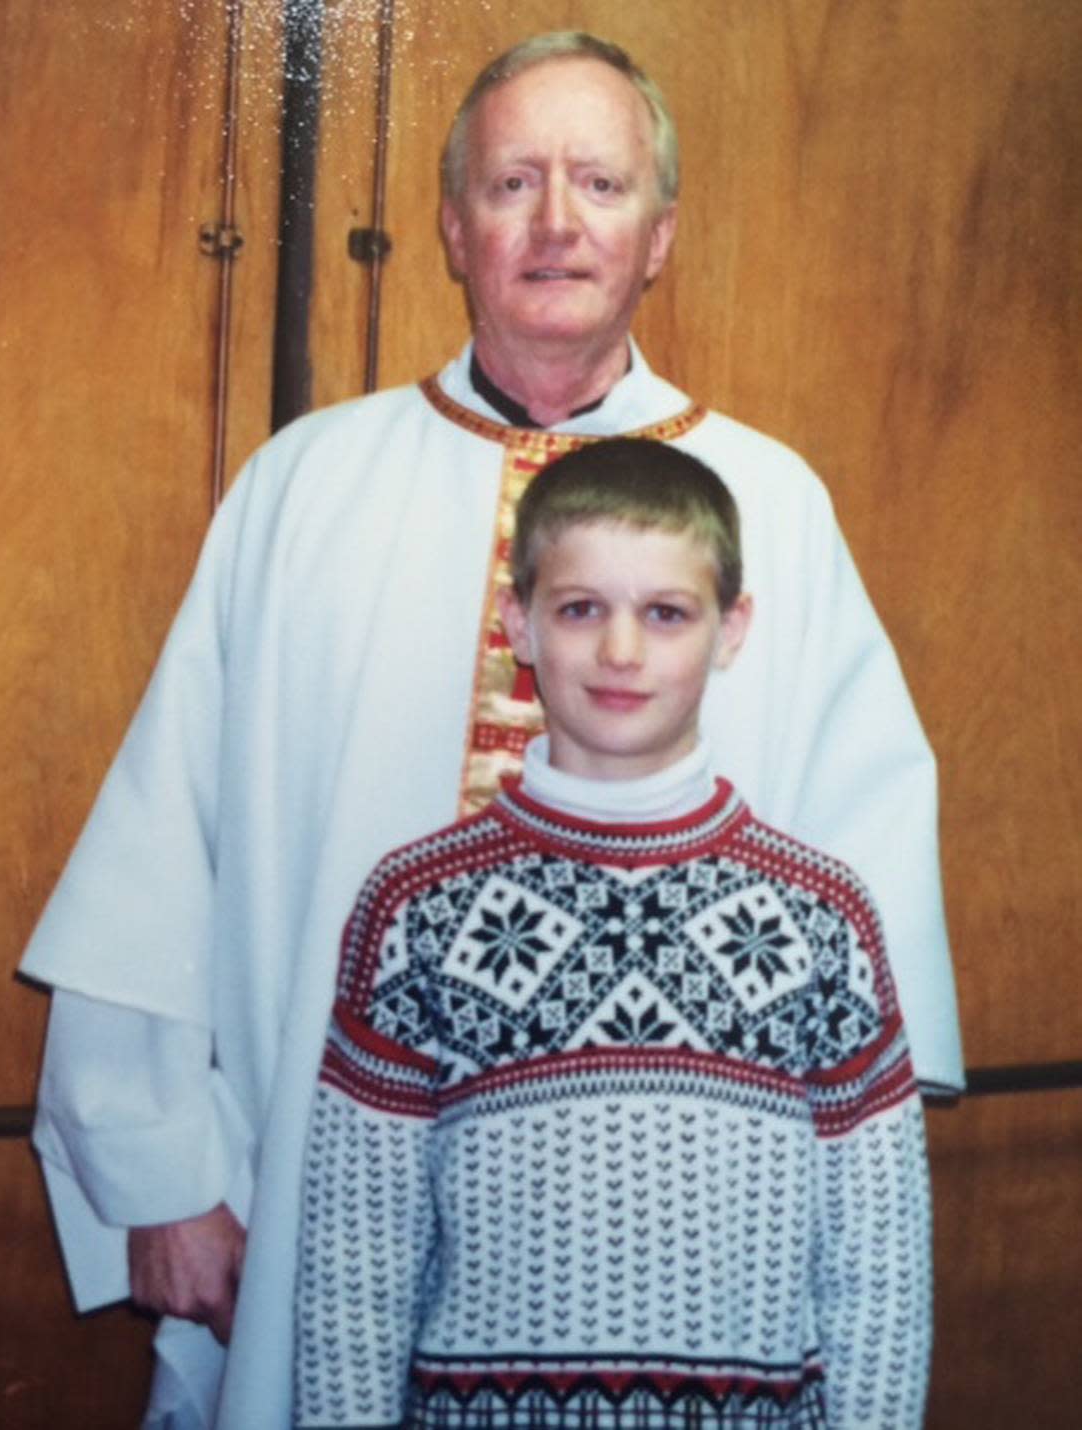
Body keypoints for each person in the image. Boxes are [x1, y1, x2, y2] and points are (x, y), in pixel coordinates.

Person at [19, 30, 958, 1430]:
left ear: (662, 235)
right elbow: (165, 842)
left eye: (601, 181)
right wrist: (157, 1180)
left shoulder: (774, 508)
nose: (559, 222)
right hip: (318, 1214)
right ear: (453, 228)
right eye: (515, 181)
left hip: (681, 1261)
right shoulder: (304, 488)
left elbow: (864, 930)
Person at [294, 438, 932, 1430]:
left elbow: (877, 1269)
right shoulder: (417, 905)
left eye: (666, 612)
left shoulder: (820, 913)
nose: (622, 651)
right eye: (581, 607)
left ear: (732, 629)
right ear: (520, 625)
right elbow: (354, 1266)